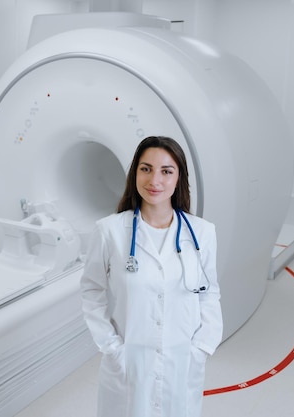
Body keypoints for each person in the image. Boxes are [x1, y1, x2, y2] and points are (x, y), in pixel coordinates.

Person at [80, 136, 223, 417]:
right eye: (146, 169)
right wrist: (112, 347)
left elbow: (210, 292)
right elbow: (91, 291)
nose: (154, 179)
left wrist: (202, 347)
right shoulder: (109, 231)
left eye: (166, 171)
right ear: (135, 173)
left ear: (179, 177)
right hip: (128, 362)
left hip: (183, 360)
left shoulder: (202, 232)